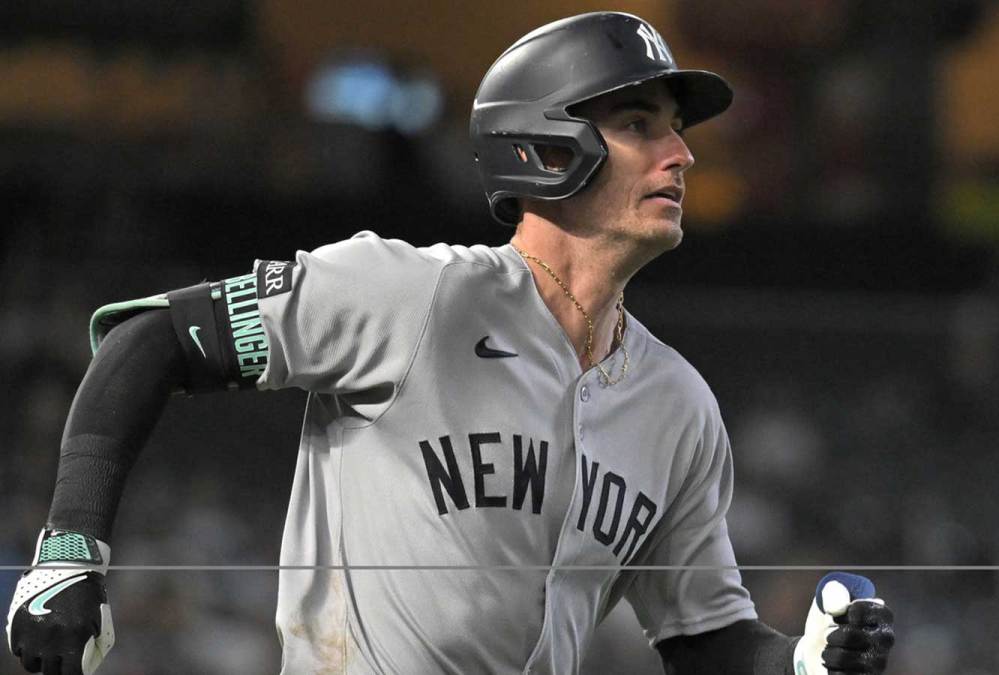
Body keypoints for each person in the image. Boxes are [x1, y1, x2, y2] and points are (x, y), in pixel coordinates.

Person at [6, 12, 894, 675]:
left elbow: (702, 637)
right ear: (547, 145)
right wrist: (66, 553)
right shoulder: (409, 291)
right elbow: (152, 337)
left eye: (675, 129)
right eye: (641, 125)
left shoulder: (677, 405)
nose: (681, 155)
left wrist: (804, 660)